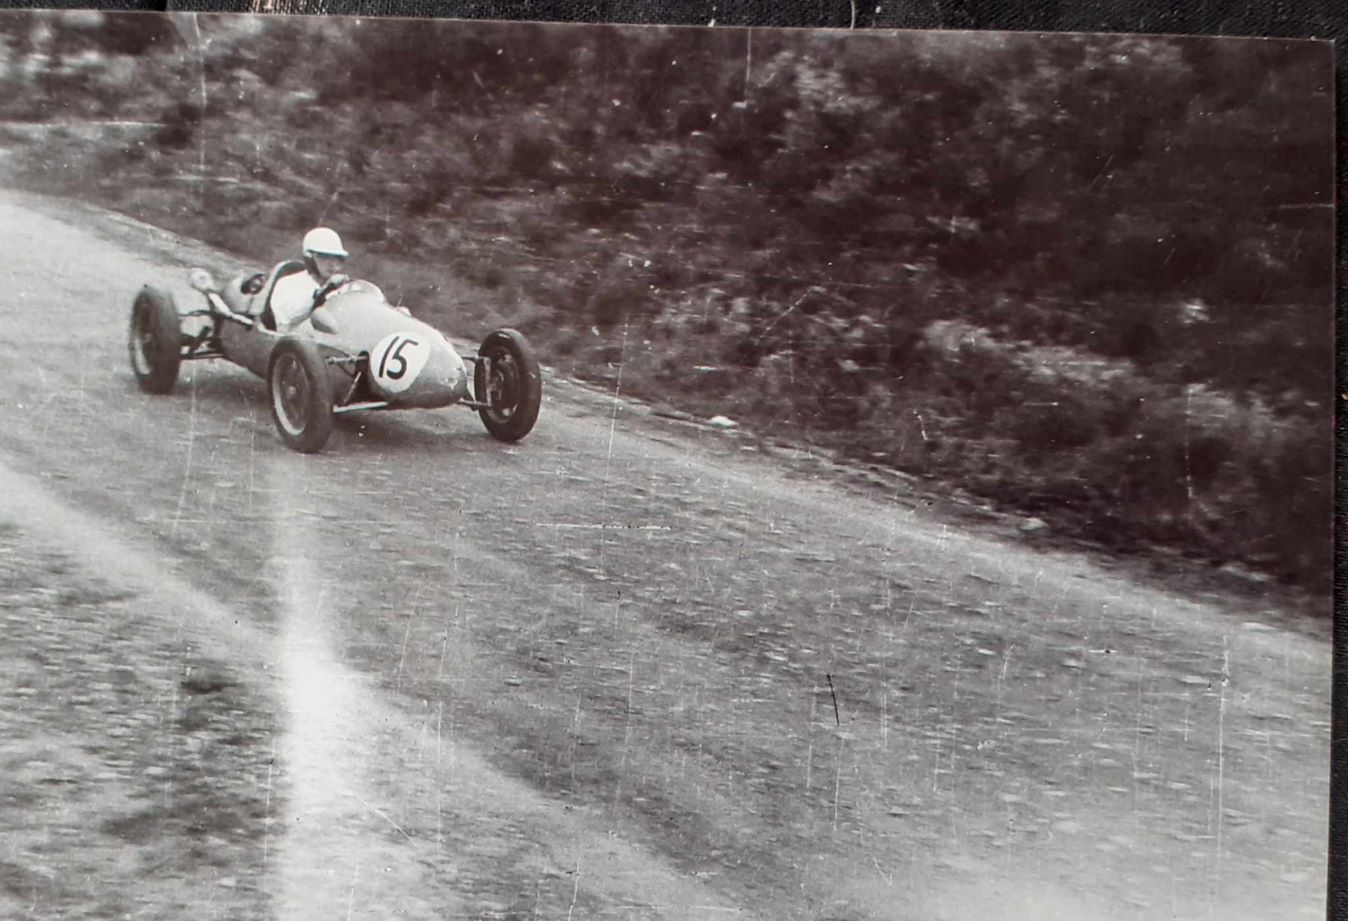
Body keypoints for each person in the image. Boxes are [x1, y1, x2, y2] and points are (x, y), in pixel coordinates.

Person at [269, 226, 351, 330]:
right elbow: (287, 327)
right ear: (310, 258)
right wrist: (323, 292)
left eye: (338, 258)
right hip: (290, 343)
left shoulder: (341, 289)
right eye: (324, 256)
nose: (332, 264)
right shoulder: (288, 285)